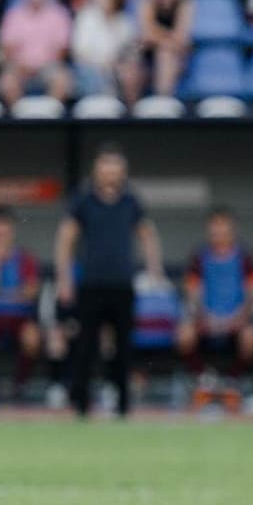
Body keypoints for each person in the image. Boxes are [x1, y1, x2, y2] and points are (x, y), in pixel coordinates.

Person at [55, 145, 165, 418]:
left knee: (123, 347)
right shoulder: (83, 200)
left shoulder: (131, 201)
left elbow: (147, 234)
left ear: (123, 172)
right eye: (106, 168)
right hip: (91, 284)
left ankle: (122, 405)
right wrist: (64, 279)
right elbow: (65, 239)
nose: (110, 174)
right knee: (86, 345)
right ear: (97, 170)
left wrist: (155, 270)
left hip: (122, 285)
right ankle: (80, 404)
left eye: (115, 168)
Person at [175, 207, 253, 407]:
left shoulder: (245, 257)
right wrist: (204, 317)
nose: (219, 233)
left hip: (237, 319)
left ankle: (232, 381)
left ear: (232, 230)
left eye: (223, 228)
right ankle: (205, 379)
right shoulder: (199, 257)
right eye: (215, 228)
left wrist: (238, 318)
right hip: (206, 319)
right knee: (184, 335)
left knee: (250, 337)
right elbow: (193, 293)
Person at [0, 208, 43, 400]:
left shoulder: (25, 259)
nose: (0, 238)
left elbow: (30, 293)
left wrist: (4, 294)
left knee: (32, 339)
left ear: (12, 233)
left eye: (3, 233)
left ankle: (20, 386)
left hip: (20, 317)